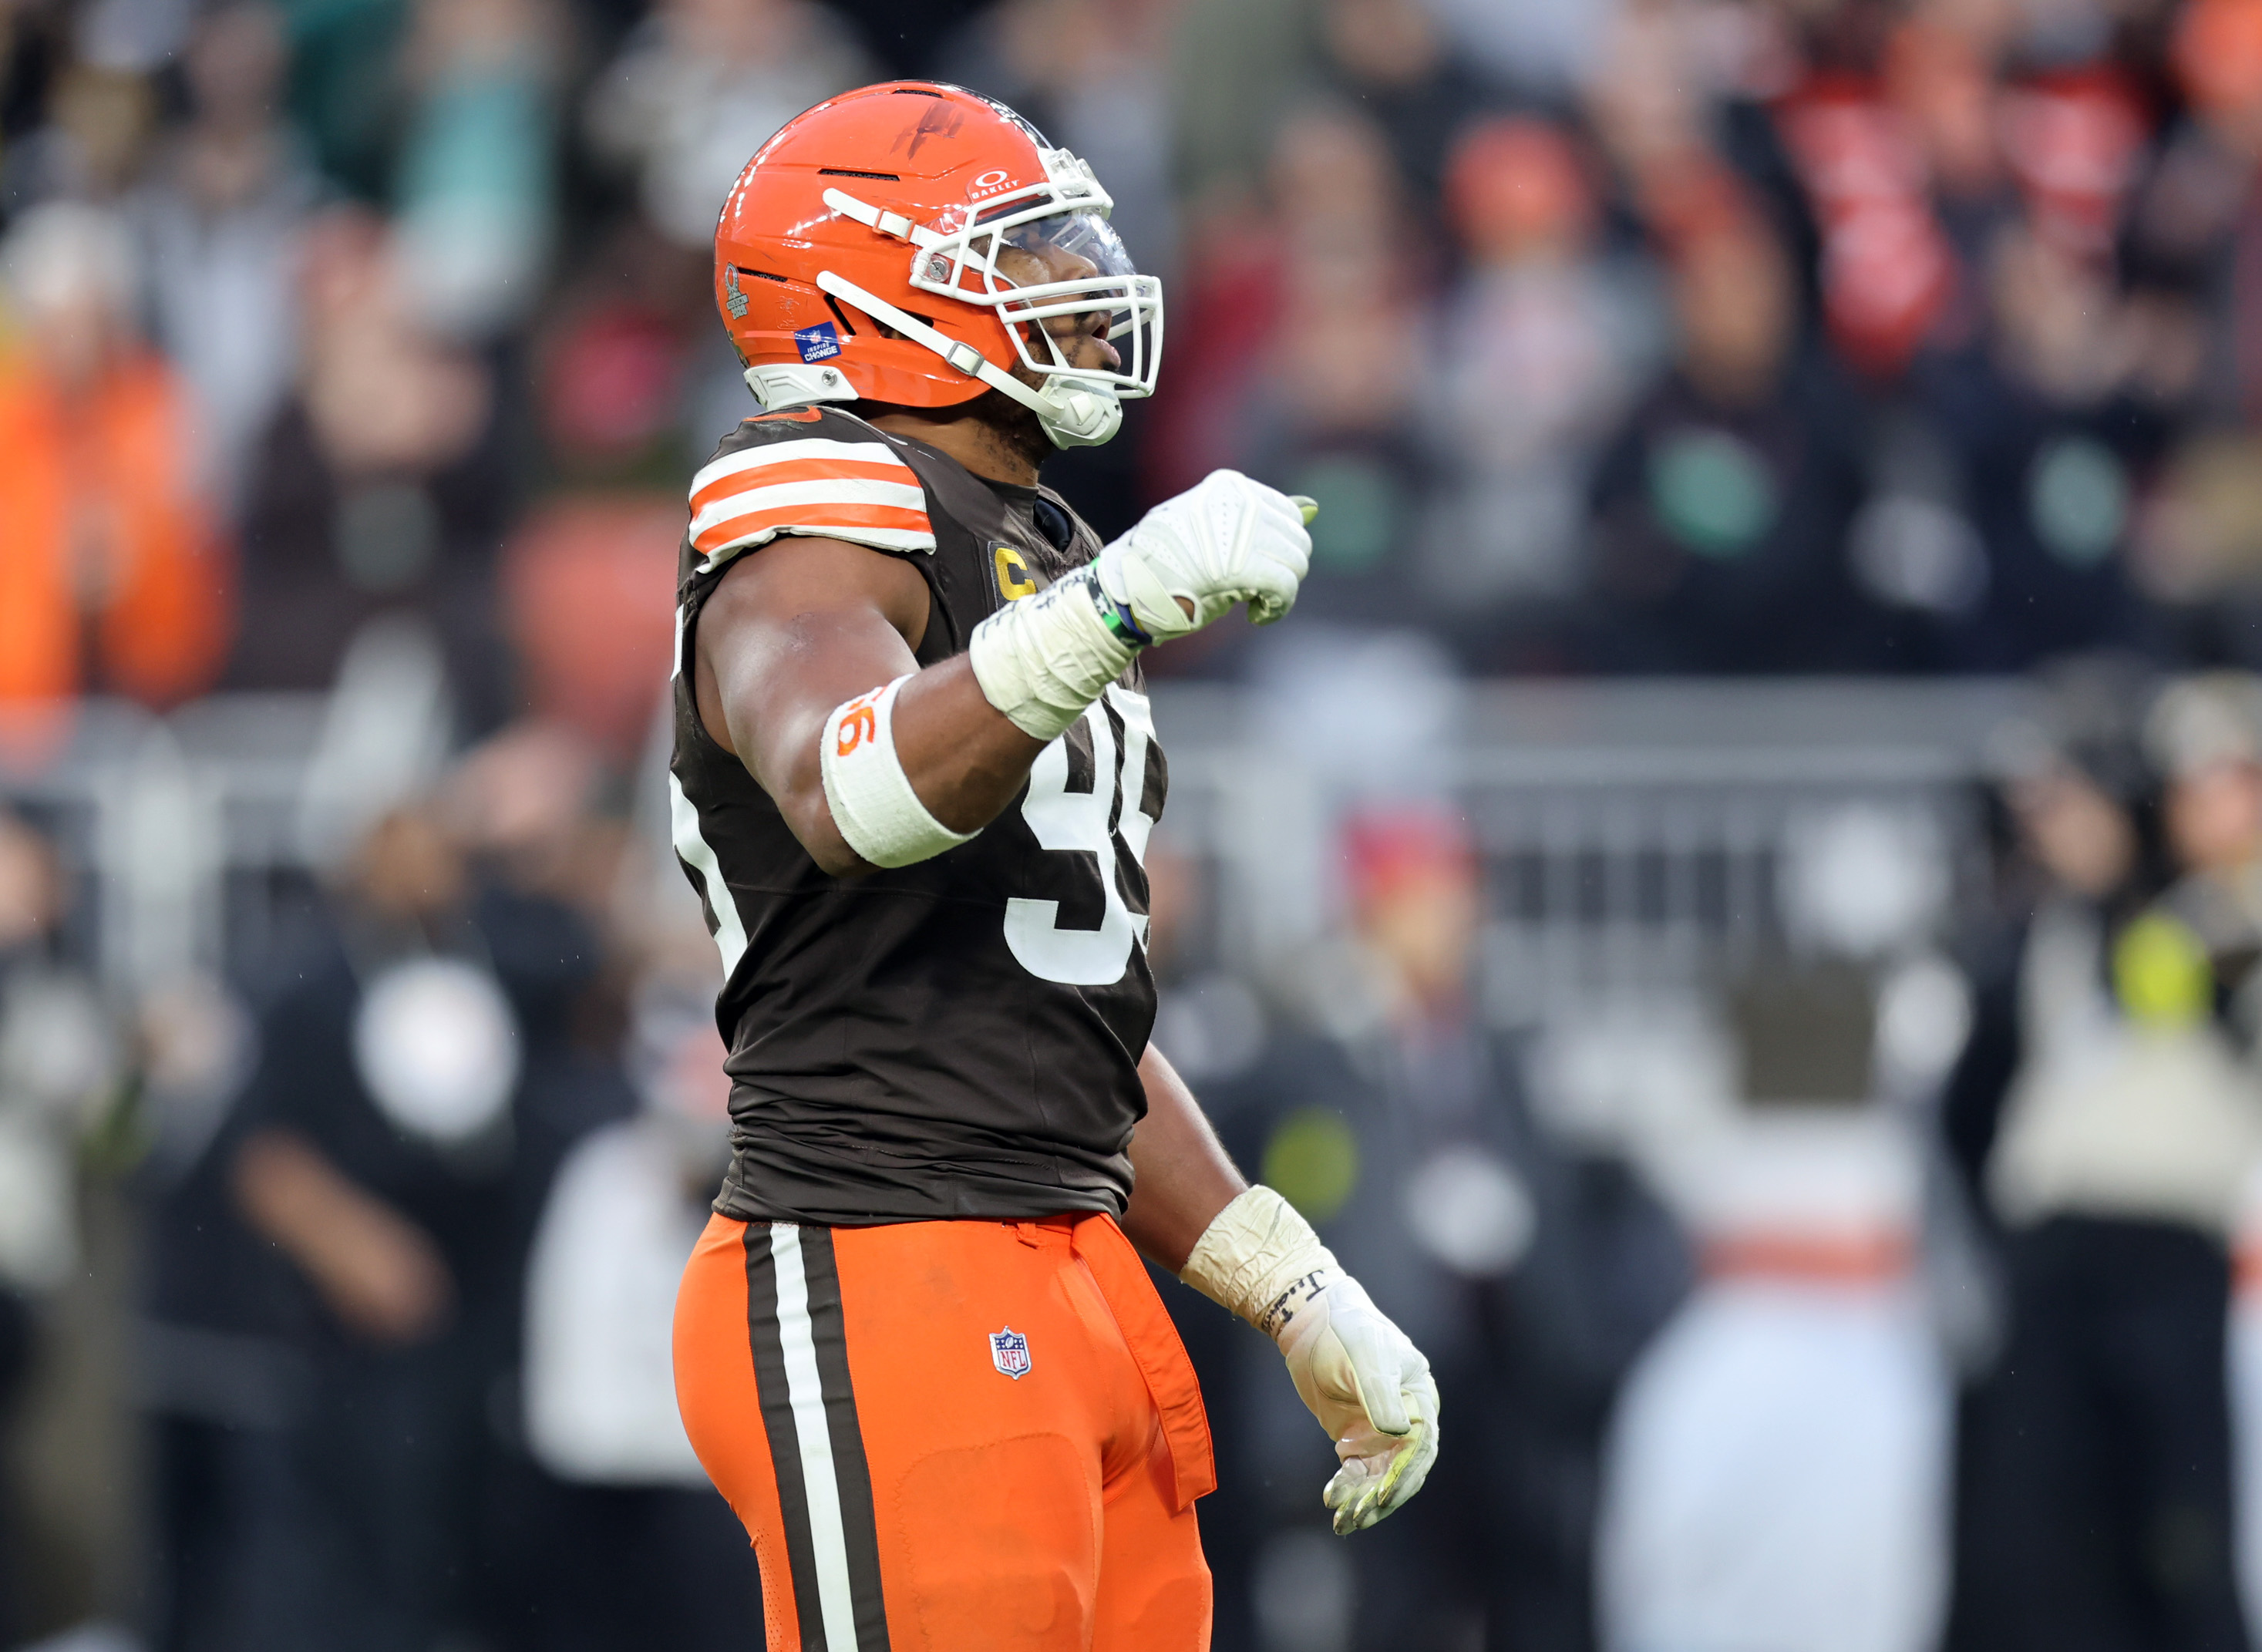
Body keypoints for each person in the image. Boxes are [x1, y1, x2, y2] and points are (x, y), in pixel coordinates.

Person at [666, 82, 1440, 1650]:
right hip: (884, 1258)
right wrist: (1114, 615)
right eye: (1010, 257)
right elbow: (847, 788)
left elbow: (1069, 1000)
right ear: (867, 298)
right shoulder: (820, 507)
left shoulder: (1038, 549)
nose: (1074, 284)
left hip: (1069, 1262)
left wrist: (1289, 1281)